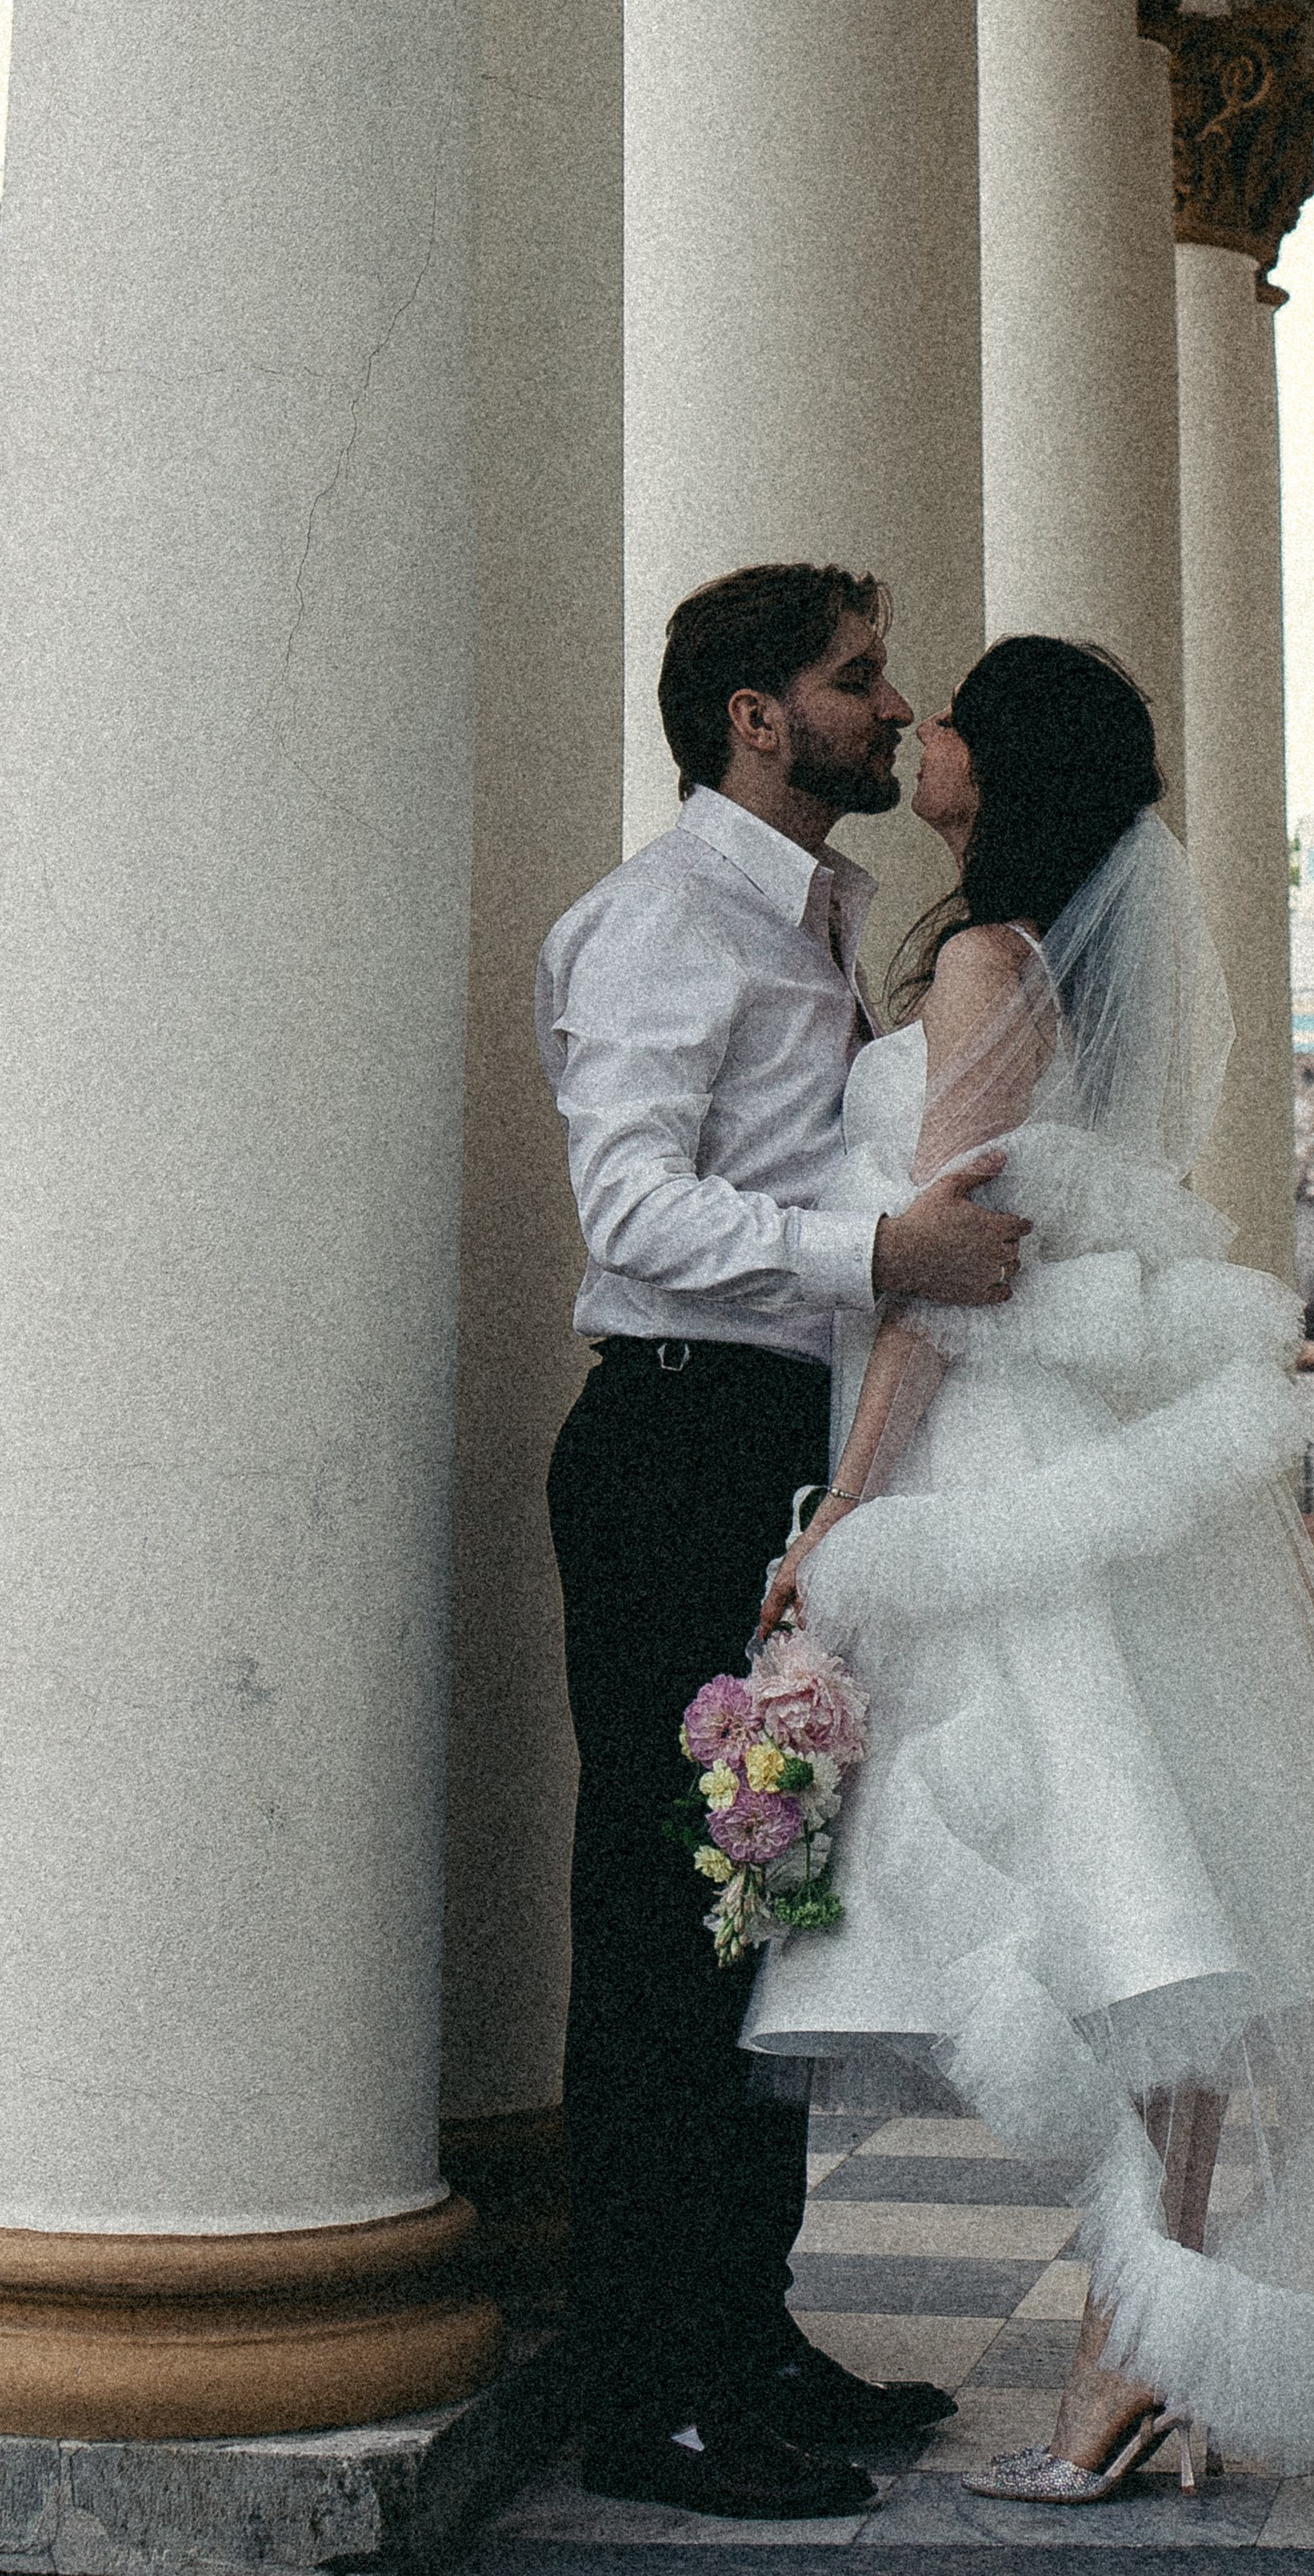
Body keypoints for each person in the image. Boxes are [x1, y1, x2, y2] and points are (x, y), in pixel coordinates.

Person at [743, 635, 1314, 2496]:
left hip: (994, 1464)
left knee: (1125, 1909)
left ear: (1003, 771)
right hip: (1060, 1461)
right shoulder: (1015, 955)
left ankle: (1128, 2353)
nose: (919, 733)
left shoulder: (992, 961)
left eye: (952, 720)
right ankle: (1137, 2350)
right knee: (1143, 1911)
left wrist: (846, 1520)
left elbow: (941, 1271)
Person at [537, 564, 1033, 2521]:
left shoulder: (812, 906)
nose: (888, 706)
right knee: (665, 1930)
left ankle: (739, 2333)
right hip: (672, 1436)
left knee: (758, 1911)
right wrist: (877, 1254)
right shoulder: (664, 922)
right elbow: (630, 1209)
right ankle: (645, 2392)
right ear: (754, 716)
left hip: (771, 1442)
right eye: (852, 681)